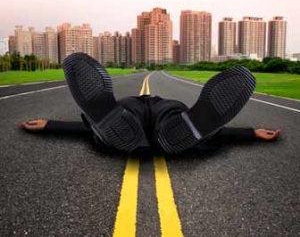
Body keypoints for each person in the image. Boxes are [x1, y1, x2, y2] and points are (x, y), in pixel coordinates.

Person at [21, 53, 281, 154]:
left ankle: (109, 122)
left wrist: (49, 125)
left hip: (129, 113)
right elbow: (222, 131)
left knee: (119, 115)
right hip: (164, 114)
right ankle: (190, 128)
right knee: (175, 113)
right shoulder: (163, 101)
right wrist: (251, 133)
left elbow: (86, 129)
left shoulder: (131, 103)